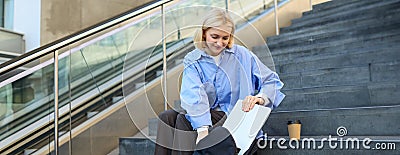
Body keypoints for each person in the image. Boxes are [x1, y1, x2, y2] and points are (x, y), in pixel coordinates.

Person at [154, 8, 285, 155]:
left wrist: (260, 98)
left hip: (234, 116)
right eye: (215, 36)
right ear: (204, 33)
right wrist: (202, 129)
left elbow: (272, 81)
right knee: (166, 117)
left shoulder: (242, 55)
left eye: (225, 38)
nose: (219, 43)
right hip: (207, 116)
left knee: (182, 120)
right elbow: (193, 94)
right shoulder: (193, 60)